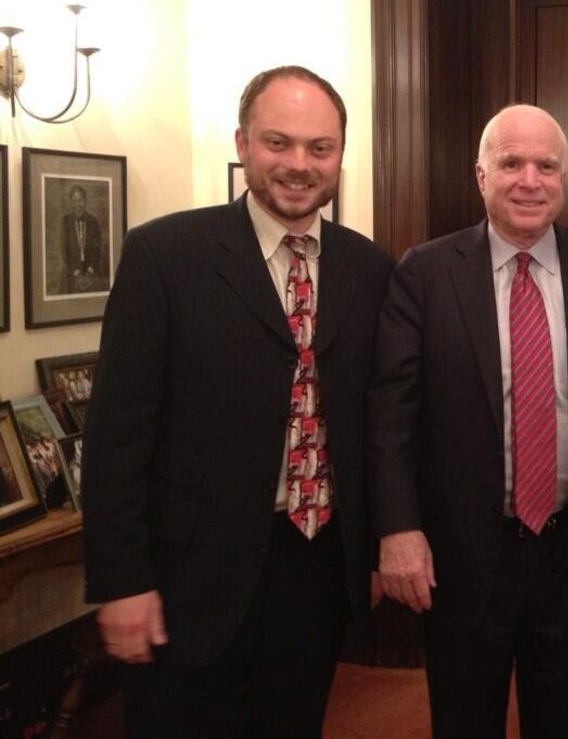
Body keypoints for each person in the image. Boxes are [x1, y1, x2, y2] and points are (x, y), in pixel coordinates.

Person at [81, 66, 394, 738]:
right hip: (187, 577)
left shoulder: (370, 268)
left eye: (320, 147)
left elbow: (374, 422)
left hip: (315, 565)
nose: (299, 165)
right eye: (278, 142)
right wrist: (120, 578)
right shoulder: (164, 256)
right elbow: (115, 435)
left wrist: (368, 549)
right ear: (243, 144)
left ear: (341, 155)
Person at [372, 104, 568, 738]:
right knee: (464, 720)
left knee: (567, 720)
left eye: (546, 165)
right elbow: (392, 414)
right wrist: (399, 528)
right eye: (511, 163)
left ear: (563, 177)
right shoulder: (425, 272)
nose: (530, 179)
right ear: (480, 175)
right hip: (465, 551)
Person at [62, 184, 103, 293]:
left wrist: (90, 272)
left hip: (92, 272)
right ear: (70, 202)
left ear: (85, 201)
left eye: (80, 200)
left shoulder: (93, 221)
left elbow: (97, 249)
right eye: (75, 201)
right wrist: (77, 274)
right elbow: (63, 251)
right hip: (71, 273)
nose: (78, 204)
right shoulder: (65, 221)